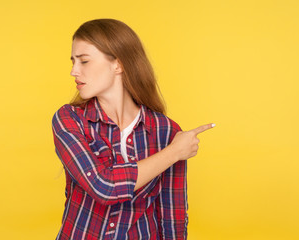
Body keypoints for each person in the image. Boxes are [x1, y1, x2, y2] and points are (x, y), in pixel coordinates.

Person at [51, 18, 215, 240]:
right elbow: (102, 186)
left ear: (118, 64)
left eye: (84, 61)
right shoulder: (69, 119)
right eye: (73, 62)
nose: (73, 71)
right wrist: (174, 152)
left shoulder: (167, 131)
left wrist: (173, 148)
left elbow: (172, 215)